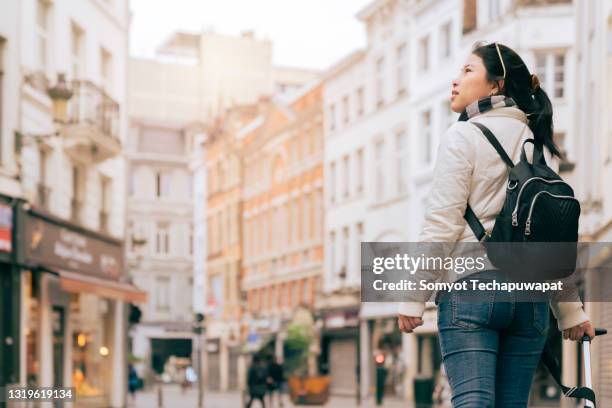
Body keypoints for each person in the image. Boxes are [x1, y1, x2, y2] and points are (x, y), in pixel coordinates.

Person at [397, 41, 595, 407]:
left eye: (468, 71)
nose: (455, 80)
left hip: (472, 292)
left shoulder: (463, 136)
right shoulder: (536, 144)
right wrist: (570, 312)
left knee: (473, 401)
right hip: (530, 301)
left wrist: (414, 296)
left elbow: (442, 224)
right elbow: (549, 241)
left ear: (495, 85)